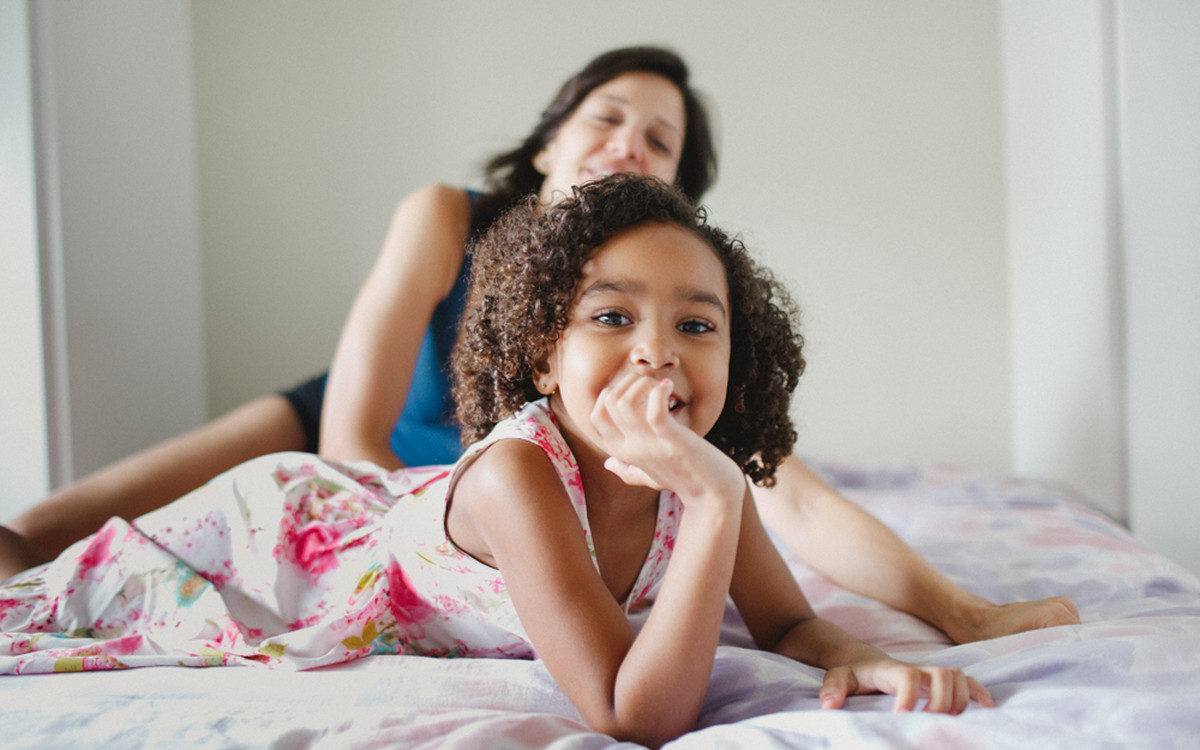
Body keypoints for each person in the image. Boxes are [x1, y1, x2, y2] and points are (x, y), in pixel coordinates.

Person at [2, 46, 1076, 642]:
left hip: (504, 491)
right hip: (359, 451)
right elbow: (347, 443)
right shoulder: (445, 216)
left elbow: (783, 496)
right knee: (38, 535)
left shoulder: (653, 340)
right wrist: (466, 539)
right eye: (607, 118)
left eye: (660, 141)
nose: (629, 144)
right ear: (551, 141)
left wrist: (961, 613)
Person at [0, 176, 994, 746]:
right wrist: (717, 501)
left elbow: (785, 621)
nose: (657, 351)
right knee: (45, 595)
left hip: (379, 517)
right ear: (543, 357)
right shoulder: (523, 474)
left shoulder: (698, 471)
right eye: (612, 317)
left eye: (697, 324)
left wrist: (860, 657)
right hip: (292, 543)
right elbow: (630, 714)